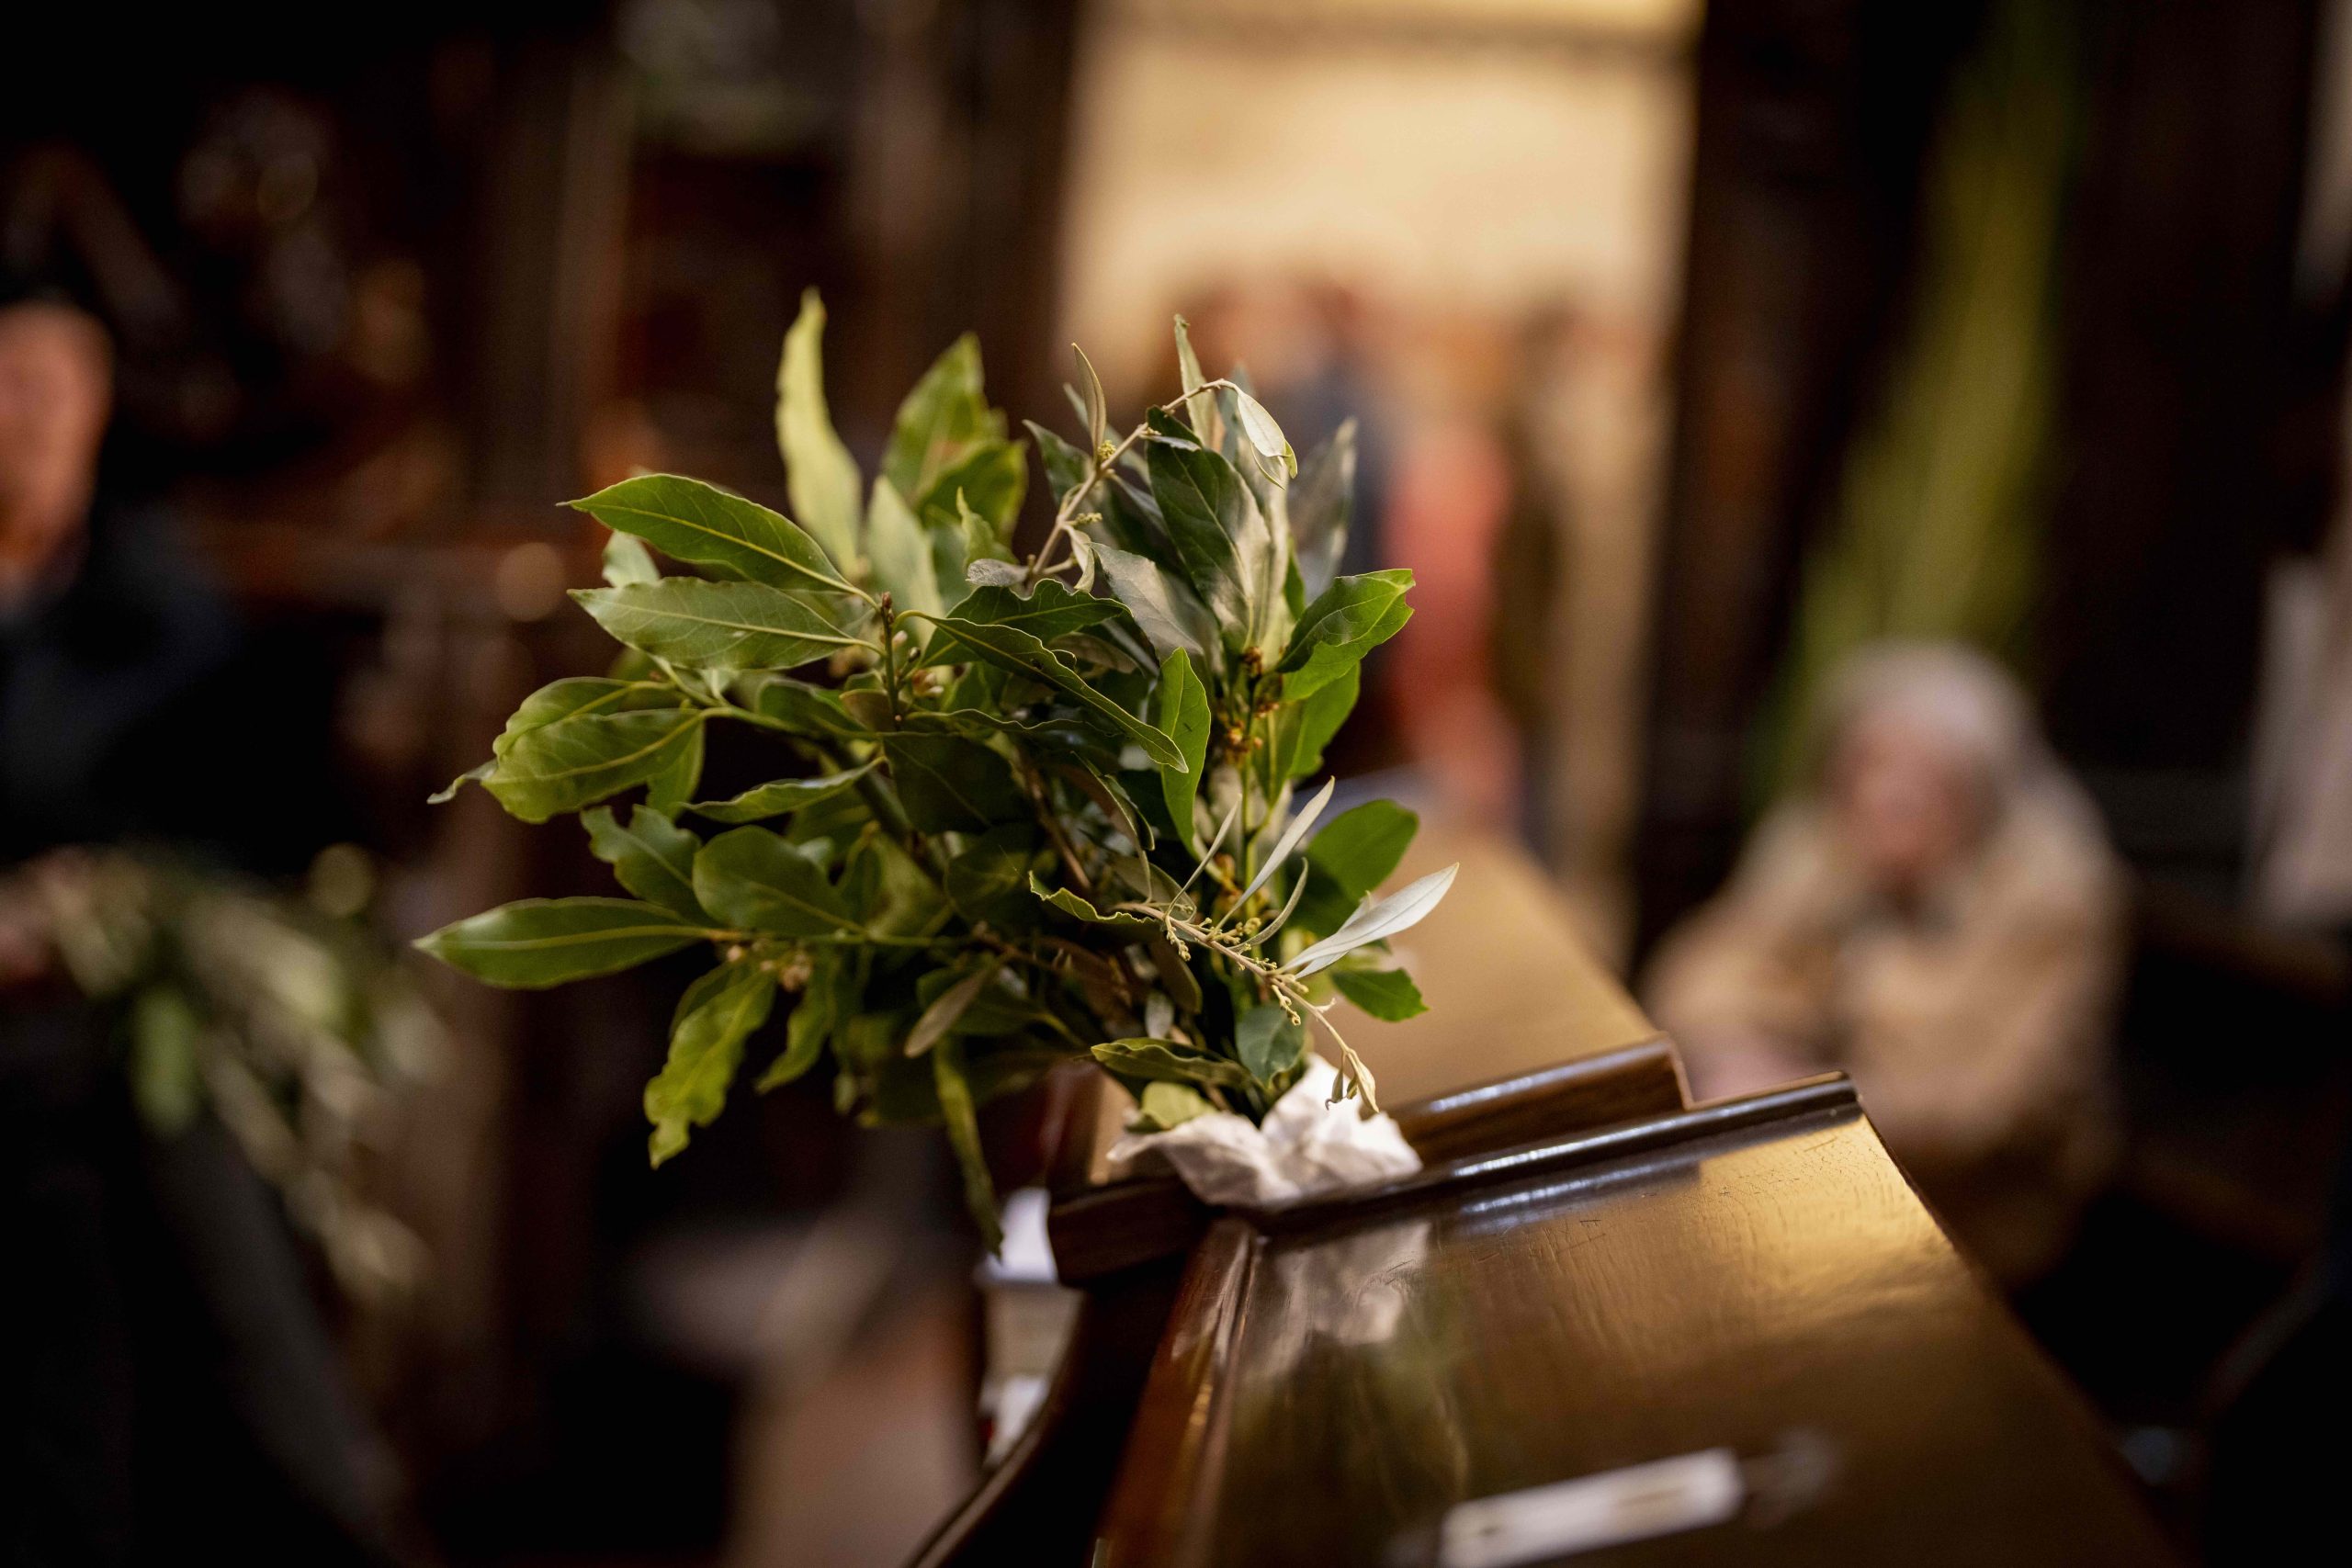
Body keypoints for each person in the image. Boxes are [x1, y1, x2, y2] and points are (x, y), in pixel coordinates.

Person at [1645, 643, 2125, 1285]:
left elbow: (1992, 1108)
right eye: (1870, 764)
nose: (1887, 795)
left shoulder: (2051, 894)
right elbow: (1695, 977)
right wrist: (1753, 1051)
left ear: (1976, 786)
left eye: (1923, 774)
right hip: (1805, 1173)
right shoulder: (1821, 840)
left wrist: (1799, 1091)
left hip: (1967, 1218)